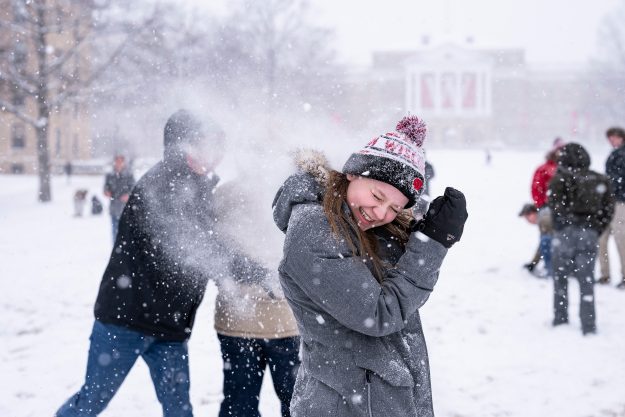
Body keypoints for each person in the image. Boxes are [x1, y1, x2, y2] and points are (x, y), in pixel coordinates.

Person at [55, 109, 269, 417]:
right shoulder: (164, 187)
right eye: (210, 143)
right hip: (125, 321)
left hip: (169, 326)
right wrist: (258, 273)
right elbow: (200, 250)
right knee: (90, 402)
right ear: (184, 146)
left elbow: (210, 248)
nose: (218, 153)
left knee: (179, 410)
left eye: (221, 144)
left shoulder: (197, 186)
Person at [272, 115, 468, 416]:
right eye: (377, 196)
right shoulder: (314, 228)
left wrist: (421, 237)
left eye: (395, 208)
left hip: (376, 397)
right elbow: (379, 315)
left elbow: (406, 302)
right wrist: (431, 247)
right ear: (353, 174)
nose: (379, 212)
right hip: (344, 403)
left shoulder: (364, 228)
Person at [213, 174, 300, 417]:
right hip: (245, 322)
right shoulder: (227, 195)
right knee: (289, 402)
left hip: (281, 323)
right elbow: (210, 251)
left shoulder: (295, 192)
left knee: (246, 402)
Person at [548, 143, 614, 335]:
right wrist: (596, 228)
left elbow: (554, 205)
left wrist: (562, 225)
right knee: (586, 280)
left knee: (560, 277)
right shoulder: (599, 179)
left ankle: (560, 318)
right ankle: (588, 324)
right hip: (589, 232)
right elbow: (608, 209)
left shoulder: (559, 179)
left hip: (564, 234)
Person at [529, 138, 564, 278]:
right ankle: (550, 268)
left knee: (556, 239)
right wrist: (543, 203)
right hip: (548, 208)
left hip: (561, 209)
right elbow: (536, 188)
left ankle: (551, 267)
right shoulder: (545, 169)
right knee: (547, 239)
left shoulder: (564, 169)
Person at [598, 126, 625, 289]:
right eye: (610, 138)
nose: (612, 140)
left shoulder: (621, 155)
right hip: (609, 202)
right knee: (602, 238)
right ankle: (604, 274)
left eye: (615, 137)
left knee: (620, 239)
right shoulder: (614, 154)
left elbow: (617, 179)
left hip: (620, 202)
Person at [103, 154, 135, 241]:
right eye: (117, 161)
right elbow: (105, 188)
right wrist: (107, 192)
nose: (119, 163)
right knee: (114, 230)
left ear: (124, 163)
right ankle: (115, 250)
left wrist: (128, 195)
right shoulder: (110, 175)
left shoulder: (129, 175)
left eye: (121, 161)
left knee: (125, 231)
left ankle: (124, 251)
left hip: (126, 208)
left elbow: (133, 189)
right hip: (114, 207)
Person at [518, 203, 543, 275]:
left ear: (532, 213)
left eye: (527, 217)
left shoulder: (544, 219)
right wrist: (534, 263)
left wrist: (534, 263)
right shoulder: (543, 218)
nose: (527, 221)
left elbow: (545, 245)